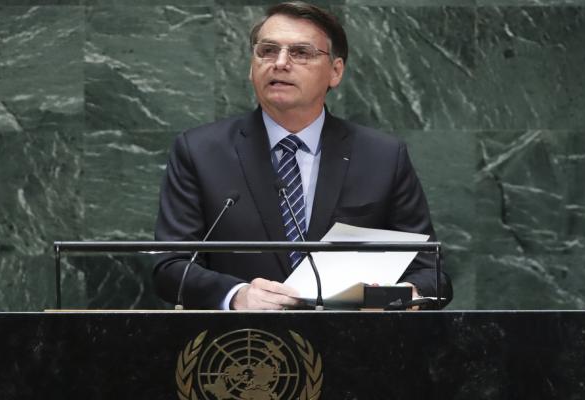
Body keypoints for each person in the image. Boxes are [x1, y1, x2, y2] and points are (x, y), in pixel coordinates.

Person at [153, 1, 452, 310]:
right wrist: (237, 295)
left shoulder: (383, 156)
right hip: (244, 345)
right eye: (267, 51)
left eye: (301, 53)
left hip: (354, 345)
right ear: (251, 66)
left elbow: (432, 272)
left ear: (335, 72)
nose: (280, 62)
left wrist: (393, 298)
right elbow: (170, 267)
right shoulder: (200, 151)